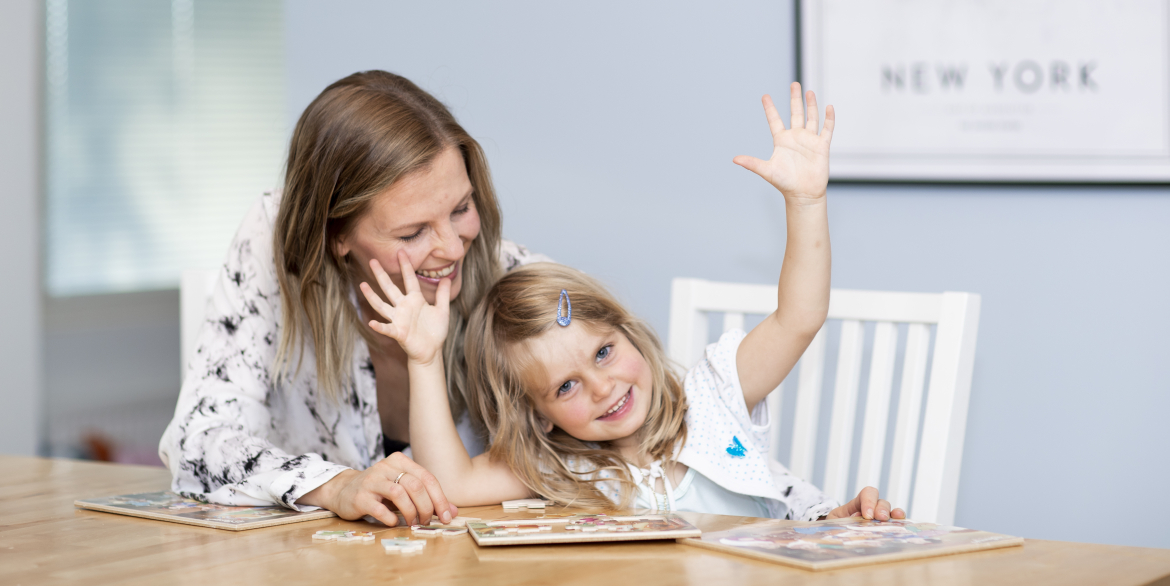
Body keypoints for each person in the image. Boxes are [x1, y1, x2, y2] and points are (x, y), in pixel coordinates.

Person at [359, 83, 904, 521]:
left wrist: (806, 201)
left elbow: (800, 317)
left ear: (627, 331)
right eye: (565, 387)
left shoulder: (715, 401)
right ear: (540, 418)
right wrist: (425, 358)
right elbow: (449, 482)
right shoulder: (558, 469)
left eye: (602, 353)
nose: (603, 388)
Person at [159, 70, 549, 526]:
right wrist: (337, 485)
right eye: (413, 231)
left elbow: (617, 433)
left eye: (461, 208)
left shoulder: (519, 285)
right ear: (335, 234)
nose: (452, 246)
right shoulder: (275, 235)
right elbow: (196, 441)